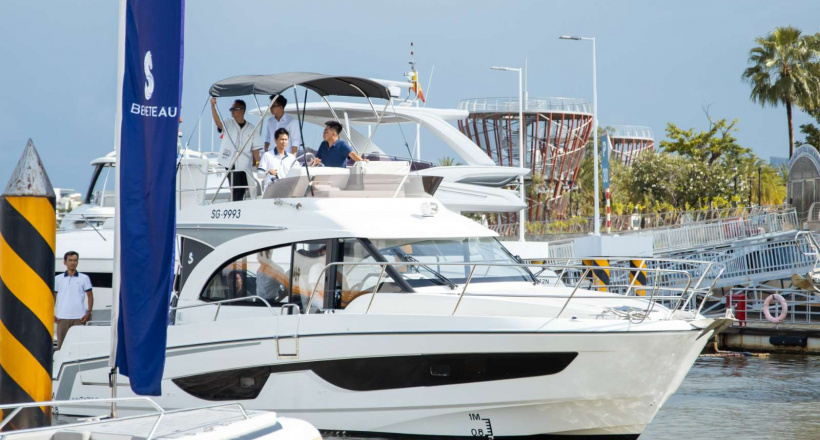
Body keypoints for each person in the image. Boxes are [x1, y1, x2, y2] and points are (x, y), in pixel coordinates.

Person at [210, 97, 263, 201]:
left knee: (242, 188)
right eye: (231, 109)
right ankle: (237, 206)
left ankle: (238, 206)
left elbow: (256, 150)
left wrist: (258, 165)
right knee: (237, 188)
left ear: (242, 110)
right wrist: (213, 106)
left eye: (235, 109)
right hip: (229, 161)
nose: (232, 111)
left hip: (244, 164)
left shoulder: (252, 128)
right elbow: (218, 123)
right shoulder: (228, 123)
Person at [54, 251, 93, 350]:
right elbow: (53, 297)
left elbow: (90, 296)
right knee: (61, 347)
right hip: (62, 318)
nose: (73, 263)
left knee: (78, 347)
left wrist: (89, 312)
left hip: (79, 318)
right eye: (70, 260)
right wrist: (51, 313)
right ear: (65, 262)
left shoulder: (84, 278)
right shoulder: (58, 279)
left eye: (75, 260)